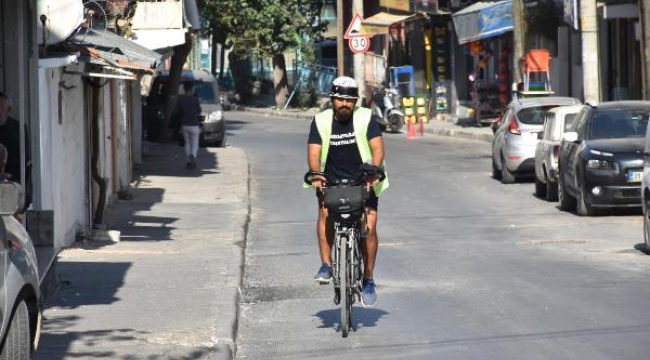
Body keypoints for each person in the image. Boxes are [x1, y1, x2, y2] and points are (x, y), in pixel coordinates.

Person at [306, 76, 389, 307]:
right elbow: (314, 152)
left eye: (349, 100)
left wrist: (374, 170)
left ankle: (369, 278)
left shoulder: (365, 117)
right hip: (330, 180)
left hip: (365, 179)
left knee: (369, 224)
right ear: (332, 99)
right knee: (325, 214)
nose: (344, 104)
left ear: (355, 102)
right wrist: (316, 174)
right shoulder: (320, 121)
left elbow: (377, 147)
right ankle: (326, 265)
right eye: (340, 99)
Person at [0, 91, 31, 209]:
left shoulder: (19, 130)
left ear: (9, 109)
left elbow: (25, 161)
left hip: (13, 185)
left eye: (1, 108)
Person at [173, 81, 202, 169]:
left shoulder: (180, 99)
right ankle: (193, 155)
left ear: (184, 89)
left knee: (187, 143)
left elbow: (176, 111)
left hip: (184, 124)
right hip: (194, 124)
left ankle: (189, 161)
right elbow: (199, 111)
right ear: (191, 89)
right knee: (195, 143)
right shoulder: (195, 99)